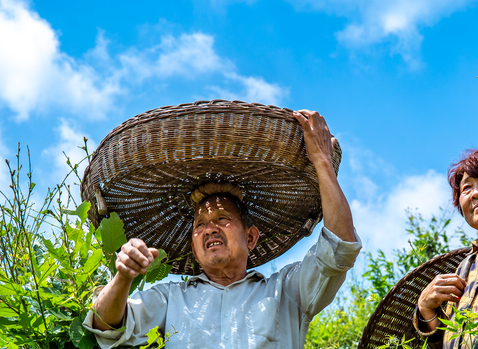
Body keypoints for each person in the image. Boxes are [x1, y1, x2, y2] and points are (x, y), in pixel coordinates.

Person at [83, 110, 362, 348]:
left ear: (250, 237)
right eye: (200, 225)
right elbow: (105, 325)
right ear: (194, 247)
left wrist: (321, 162)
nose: (210, 229)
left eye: (222, 219)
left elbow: (340, 248)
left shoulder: (287, 292)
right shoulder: (171, 300)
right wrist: (123, 276)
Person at [415, 149, 478, 349]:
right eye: (467, 188)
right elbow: (444, 344)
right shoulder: (464, 269)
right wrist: (425, 307)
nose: (475, 193)